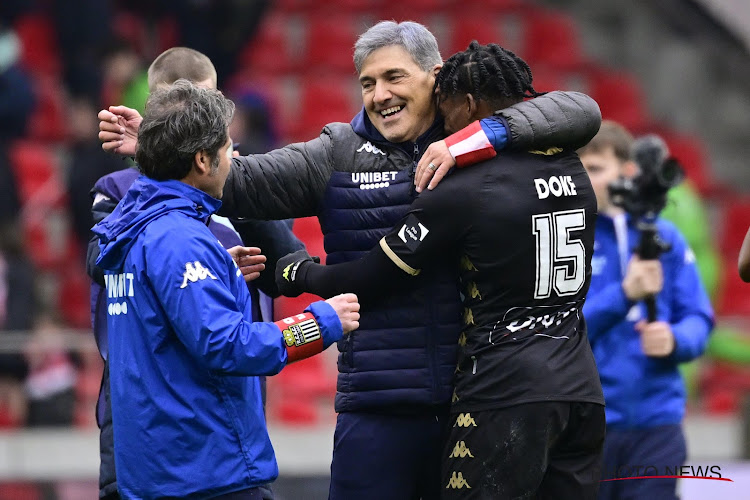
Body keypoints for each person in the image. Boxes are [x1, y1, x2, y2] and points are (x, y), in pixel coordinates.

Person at [98, 21, 602, 499]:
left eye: (394, 77)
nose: (380, 94)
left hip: (469, 401)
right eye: (368, 82)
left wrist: (483, 136)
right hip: (376, 406)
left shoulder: (481, 147)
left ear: (437, 76)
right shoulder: (336, 153)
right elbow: (235, 181)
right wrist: (165, 146)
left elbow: (580, 110)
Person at [274, 41, 605, 499]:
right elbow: (579, 110)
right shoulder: (570, 162)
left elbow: (369, 278)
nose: (443, 131)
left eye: (447, 117)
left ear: (468, 106)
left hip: (503, 392)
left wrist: (295, 273)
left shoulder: (463, 187)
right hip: (581, 389)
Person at [92, 80, 360, 500]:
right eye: (228, 149)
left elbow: (165, 319)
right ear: (202, 160)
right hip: (206, 473)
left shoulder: (132, 228)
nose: (234, 159)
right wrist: (321, 322)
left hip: (157, 475)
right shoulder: (180, 240)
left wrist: (220, 273)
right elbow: (226, 344)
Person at [576, 121, 713, 500]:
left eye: (596, 170)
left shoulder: (664, 236)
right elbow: (563, 334)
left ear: (628, 170)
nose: (585, 181)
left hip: (657, 422)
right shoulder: (568, 238)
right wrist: (624, 295)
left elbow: (699, 318)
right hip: (588, 425)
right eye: (578, 170)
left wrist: (674, 339)